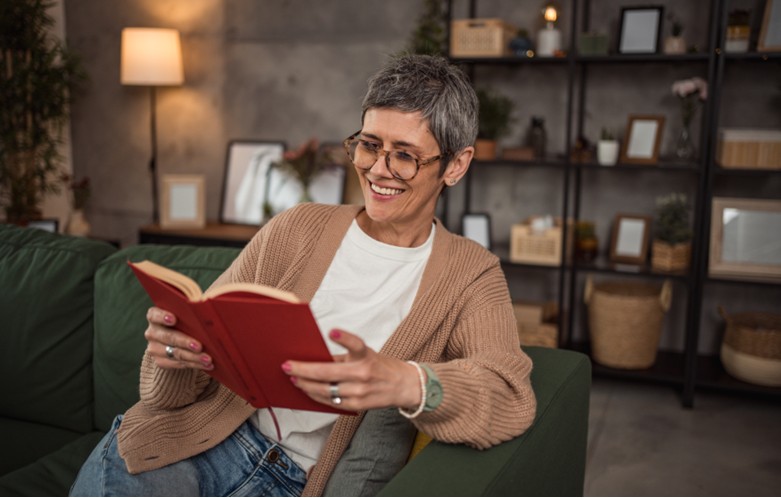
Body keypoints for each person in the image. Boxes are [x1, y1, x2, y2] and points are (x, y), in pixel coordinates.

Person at [71, 53, 537, 497]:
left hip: (296, 482)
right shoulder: (297, 226)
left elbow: (510, 398)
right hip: (189, 446)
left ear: (456, 165)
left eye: (405, 155)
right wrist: (175, 353)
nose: (378, 169)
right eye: (370, 145)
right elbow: (173, 386)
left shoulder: (472, 276)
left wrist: (407, 382)